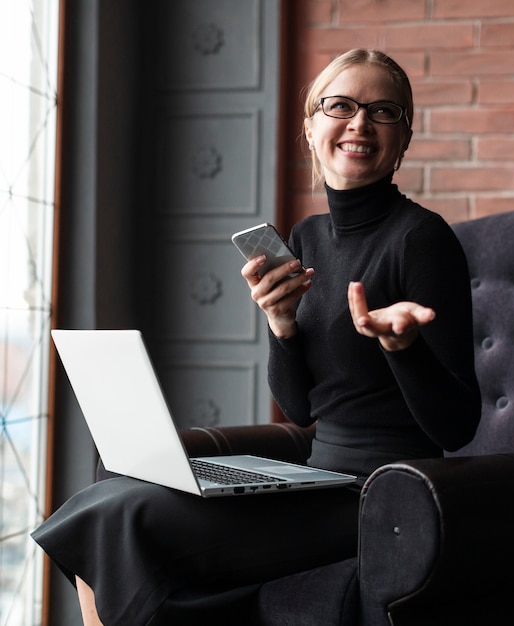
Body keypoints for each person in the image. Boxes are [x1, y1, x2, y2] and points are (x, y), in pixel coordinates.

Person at [32, 49, 481, 625]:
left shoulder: (422, 239)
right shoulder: (307, 238)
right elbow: (299, 408)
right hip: (316, 477)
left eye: (383, 110)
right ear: (310, 127)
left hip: (379, 495)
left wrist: (404, 350)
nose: (360, 123)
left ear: (405, 136)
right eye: (339, 105)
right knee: (97, 504)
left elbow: (457, 426)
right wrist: (283, 326)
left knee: (126, 519)